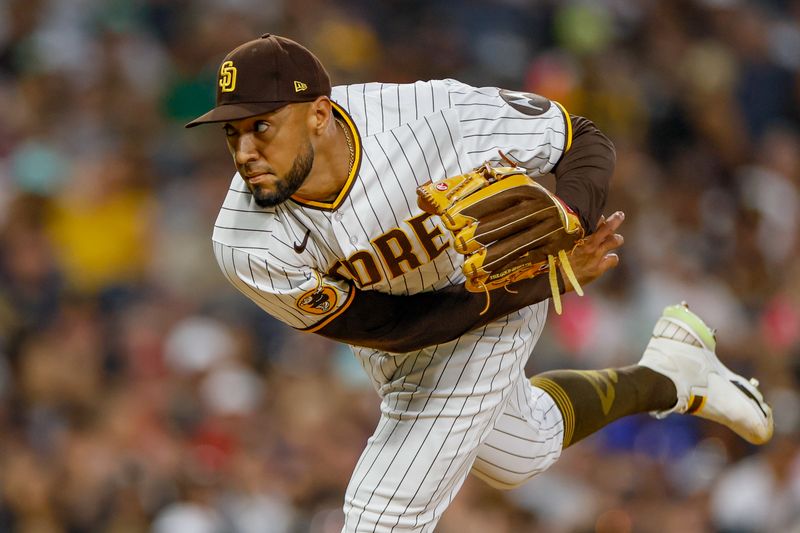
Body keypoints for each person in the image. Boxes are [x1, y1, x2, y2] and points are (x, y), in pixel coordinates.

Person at [187, 34, 773, 532]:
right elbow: (391, 328)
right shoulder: (243, 242)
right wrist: (547, 279)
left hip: (494, 281)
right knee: (523, 450)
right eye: (231, 132)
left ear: (318, 113)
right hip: (415, 329)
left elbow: (581, 138)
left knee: (383, 510)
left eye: (261, 126)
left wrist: (568, 219)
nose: (244, 151)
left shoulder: (428, 119)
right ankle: (670, 374)